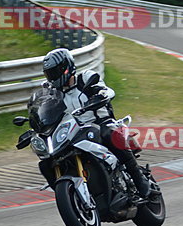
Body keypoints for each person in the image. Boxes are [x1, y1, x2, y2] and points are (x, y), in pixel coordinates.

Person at [41, 47, 152, 197]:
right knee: (48, 159)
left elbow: (106, 90)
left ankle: (139, 178)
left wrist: (100, 96)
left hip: (101, 122)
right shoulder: (53, 93)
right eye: (50, 74)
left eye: (55, 72)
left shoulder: (85, 78)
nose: (53, 77)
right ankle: (70, 193)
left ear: (66, 67)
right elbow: (44, 111)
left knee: (110, 134)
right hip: (75, 131)